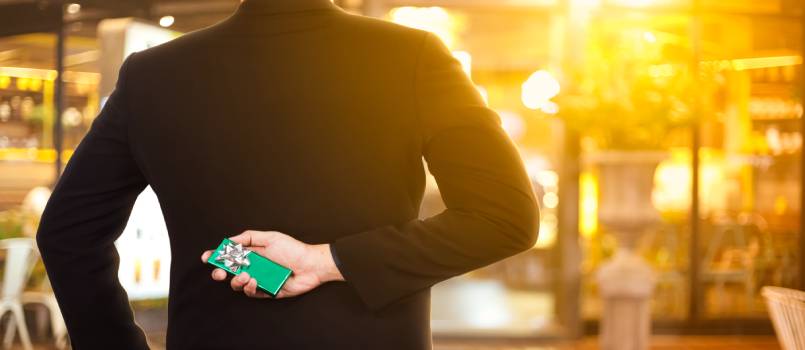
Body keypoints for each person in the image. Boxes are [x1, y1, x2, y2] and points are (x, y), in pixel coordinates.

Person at [35, 0, 540, 348]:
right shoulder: (409, 58)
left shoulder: (154, 76)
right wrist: (327, 261)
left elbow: (66, 235)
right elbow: (507, 217)